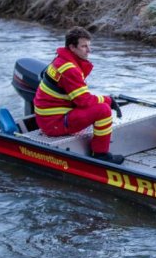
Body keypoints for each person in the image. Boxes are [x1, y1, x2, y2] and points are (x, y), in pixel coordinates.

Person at [33, 26, 124, 164]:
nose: (89, 50)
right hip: (54, 123)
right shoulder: (70, 69)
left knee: (98, 104)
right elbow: (83, 100)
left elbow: (78, 97)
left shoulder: (60, 59)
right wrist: (108, 100)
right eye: (84, 46)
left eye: (89, 45)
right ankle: (100, 155)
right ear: (72, 47)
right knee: (103, 110)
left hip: (48, 118)